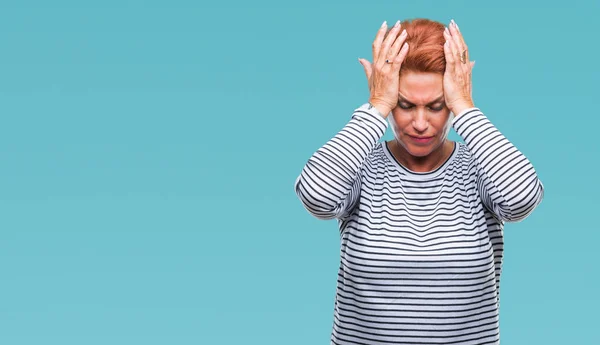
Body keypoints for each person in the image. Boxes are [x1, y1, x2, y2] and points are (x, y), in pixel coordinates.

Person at [293, 18, 544, 344]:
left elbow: (522, 199)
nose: (421, 123)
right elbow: (317, 197)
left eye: (437, 106)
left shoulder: (481, 166)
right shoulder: (361, 164)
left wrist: (466, 109)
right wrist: (376, 107)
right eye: (405, 105)